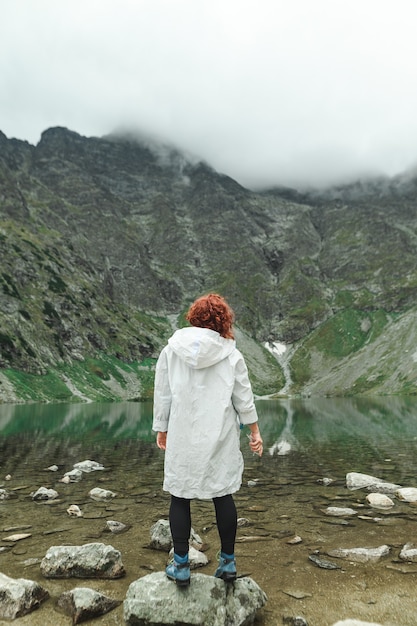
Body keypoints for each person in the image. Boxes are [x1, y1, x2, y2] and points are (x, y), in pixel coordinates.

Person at [152, 293, 263, 587]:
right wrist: (254, 430)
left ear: (194, 317)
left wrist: (161, 427)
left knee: (179, 494)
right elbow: (243, 396)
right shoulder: (232, 354)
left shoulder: (171, 350)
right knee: (223, 493)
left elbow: (163, 392)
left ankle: (181, 566)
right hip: (220, 435)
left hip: (183, 433)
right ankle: (228, 563)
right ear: (223, 320)